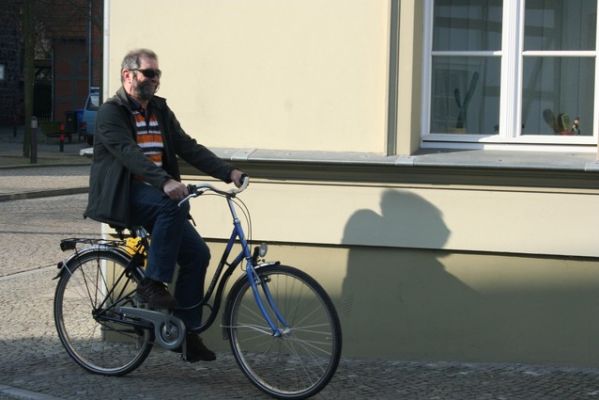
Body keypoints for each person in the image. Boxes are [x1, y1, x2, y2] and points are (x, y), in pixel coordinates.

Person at [84, 48, 245, 362]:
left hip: (155, 195)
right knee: (172, 204)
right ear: (128, 75)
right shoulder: (111, 113)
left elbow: (187, 147)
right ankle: (152, 283)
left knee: (197, 255)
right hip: (124, 195)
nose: (155, 79)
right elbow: (129, 153)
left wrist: (229, 172)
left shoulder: (159, 110)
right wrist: (165, 182)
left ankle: (186, 333)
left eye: (157, 73)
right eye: (149, 73)